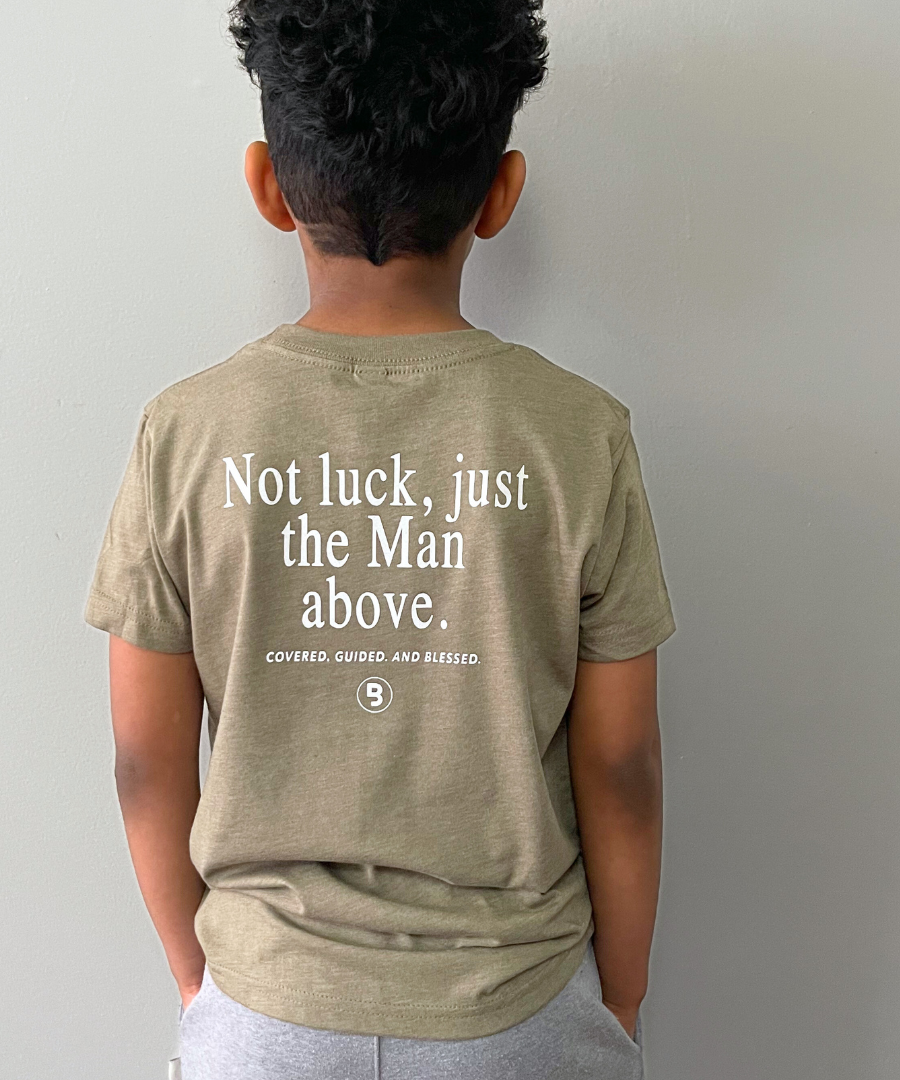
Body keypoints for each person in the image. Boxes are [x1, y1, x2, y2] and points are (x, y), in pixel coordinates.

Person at [83, 1, 676, 1076]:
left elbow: (143, 761)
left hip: (264, 1010)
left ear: (268, 186)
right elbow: (622, 763)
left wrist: (201, 983)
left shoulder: (185, 433)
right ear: (500, 195)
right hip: (521, 1010)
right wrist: (622, 994)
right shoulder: (581, 435)